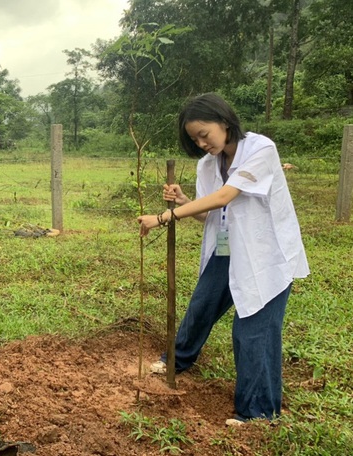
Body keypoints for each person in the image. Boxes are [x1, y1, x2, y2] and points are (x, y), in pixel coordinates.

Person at [137, 93, 309, 425]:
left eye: (205, 134)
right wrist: (186, 202)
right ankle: (177, 359)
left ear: (225, 121)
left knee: (253, 330)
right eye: (194, 138)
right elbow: (214, 214)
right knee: (202, 305)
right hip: (228, 249)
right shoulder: (207, 165)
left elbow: (225, 196)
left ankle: (259, 412)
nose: (201, 143)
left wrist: (163, 217)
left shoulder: (261, 149)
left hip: (264, 254)